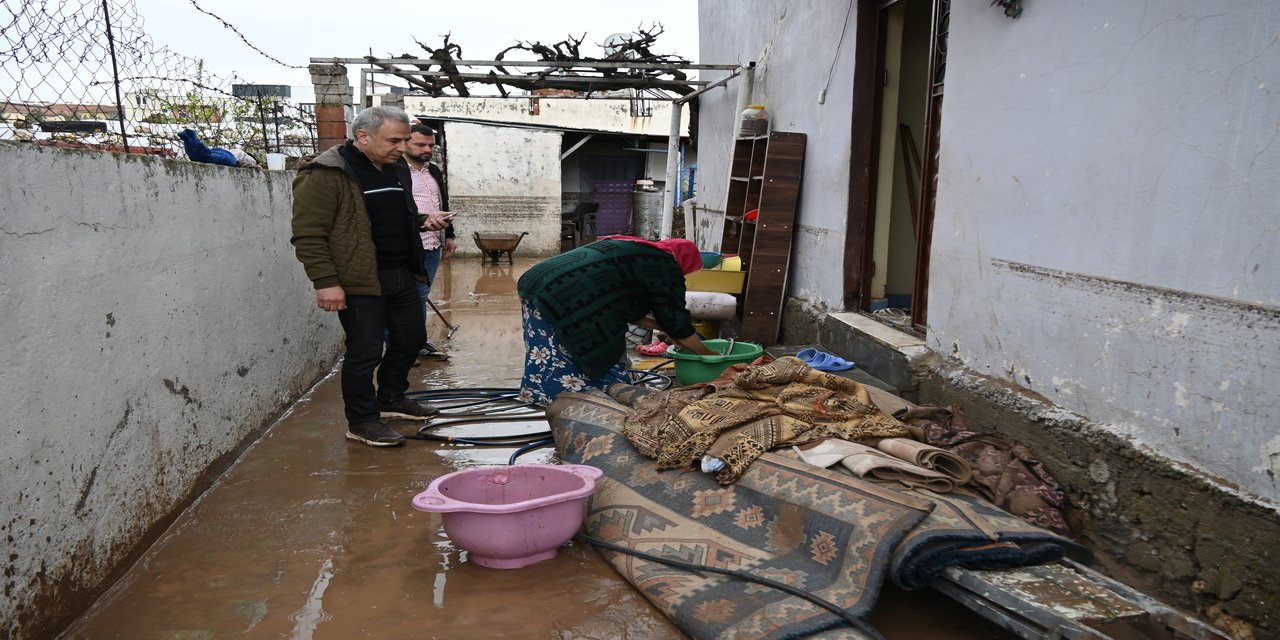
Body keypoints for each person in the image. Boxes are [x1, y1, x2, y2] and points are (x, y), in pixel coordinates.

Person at [290, 106, 449, 447]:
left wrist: (423, 221)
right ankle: (361, 421)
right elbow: (309, 235)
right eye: (394, 140)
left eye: (405, 140)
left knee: (411, 339)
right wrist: (326, 282)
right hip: (359, 278)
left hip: (401, 273)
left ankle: (391, 397)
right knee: (365, 351)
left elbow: (392, 216)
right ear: (363, 136)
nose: (402, 147)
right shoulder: (328, 174)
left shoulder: (395, 170)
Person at [516, 236, 717, 406]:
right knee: (591, 345)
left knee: (549, 348)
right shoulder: (666, 266)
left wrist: (665, 327)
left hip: (537, 282)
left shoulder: (641, 253)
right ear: (685, 262)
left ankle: (545, 399)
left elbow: (632, 310)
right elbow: (676, 321)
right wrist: (705, 354)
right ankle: (591, 400)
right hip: (565, 293)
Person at [404, 123, 456, 359]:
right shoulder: (395, 170)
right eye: (420, 144)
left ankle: (415, 344)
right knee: (404, 298)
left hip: (432, 244)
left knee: (421, 296)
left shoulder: (433, 170)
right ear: (405, 143)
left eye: (430, 145)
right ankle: (400, 347)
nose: (427, 149)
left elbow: (441, 203)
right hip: (406, 245)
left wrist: (450, 235)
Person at [177, 128, 260, 168]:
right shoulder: (248, 158)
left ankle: (188, 138)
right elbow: (253, 164)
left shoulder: (237, 151)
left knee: (204, 154)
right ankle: (189, 137)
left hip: (222, 151)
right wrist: (257, 166)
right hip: (230, 158)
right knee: (207, 156)